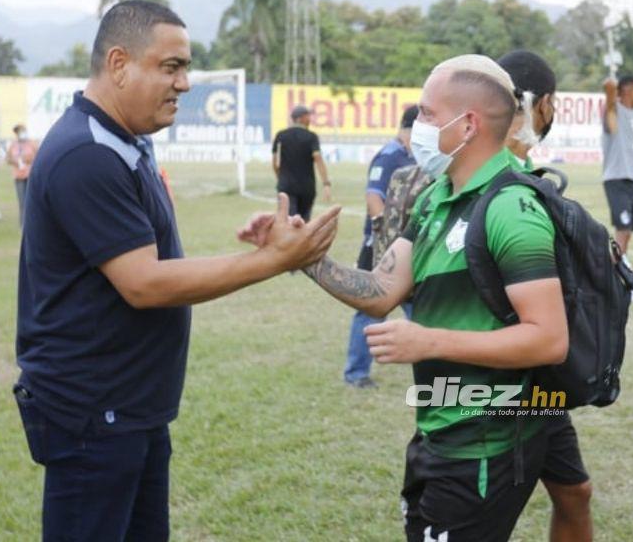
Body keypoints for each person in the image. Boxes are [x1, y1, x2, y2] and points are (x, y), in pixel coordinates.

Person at [14, 0, 340, 542]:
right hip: (94, 412)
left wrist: (261, 246)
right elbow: (143, 283)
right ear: (119, 64)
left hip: (130, 407)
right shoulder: (86, 153)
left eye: (185, 67)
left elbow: (151, 258)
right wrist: (271, 261)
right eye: (171, 67)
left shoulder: (127, 142)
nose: (184, 83)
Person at [242, 54, 568, 541]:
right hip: (438, 432)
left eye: (428, 115)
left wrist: (428, 341)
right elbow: (381, 291)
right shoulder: (438, 198)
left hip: (483, 444)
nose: (417, 126)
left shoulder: (512, 209)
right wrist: (302, 257)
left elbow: (547, 340)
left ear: (468, 125)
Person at [498, 50, 592, 542]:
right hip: (495, 385)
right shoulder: (488, 184)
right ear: (546, 104)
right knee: (490, 509)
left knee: (574, 492)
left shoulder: (526, 180)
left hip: (539, 385)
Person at [343, 104, 418, 388]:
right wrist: (386, 236)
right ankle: (356, 373)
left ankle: (435, 368)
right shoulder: (389, 156)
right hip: (381, 247)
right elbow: (374, 198)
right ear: (408, 130)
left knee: (418, 308)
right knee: (371, 309)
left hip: (408, 247)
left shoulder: (414, 156)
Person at [601, 75, 633, 302]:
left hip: (631, 179)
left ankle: (618, 274)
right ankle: (613, 277)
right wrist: (609, 93)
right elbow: (610, 120)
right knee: (622, 230)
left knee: (627, 233)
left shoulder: (631, 115)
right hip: (617, 177)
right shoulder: (613, 110)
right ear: (627, 90)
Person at [272, 104, 331, 221]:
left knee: (289, 221)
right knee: (303, 223)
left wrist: (280, 177)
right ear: (300, 118)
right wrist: (326, 183)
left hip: (286, 186)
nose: (310, 119)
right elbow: (318, 158)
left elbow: (275, 161)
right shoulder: (311, 137)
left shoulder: (281, 136)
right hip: (307, 187)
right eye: (307, 116)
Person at [6, 123, 37, 226]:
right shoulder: (13, 145)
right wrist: (15, 161)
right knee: (22, 201)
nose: (19, 133)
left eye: (21, 130)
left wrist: (27, 159)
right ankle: (23, 223)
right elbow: (8, 159)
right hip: (18, 176)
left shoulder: (32, 144)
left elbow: (38, 157)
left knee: (31, 200)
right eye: (17, 131)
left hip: (30, 176)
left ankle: (32, 221)